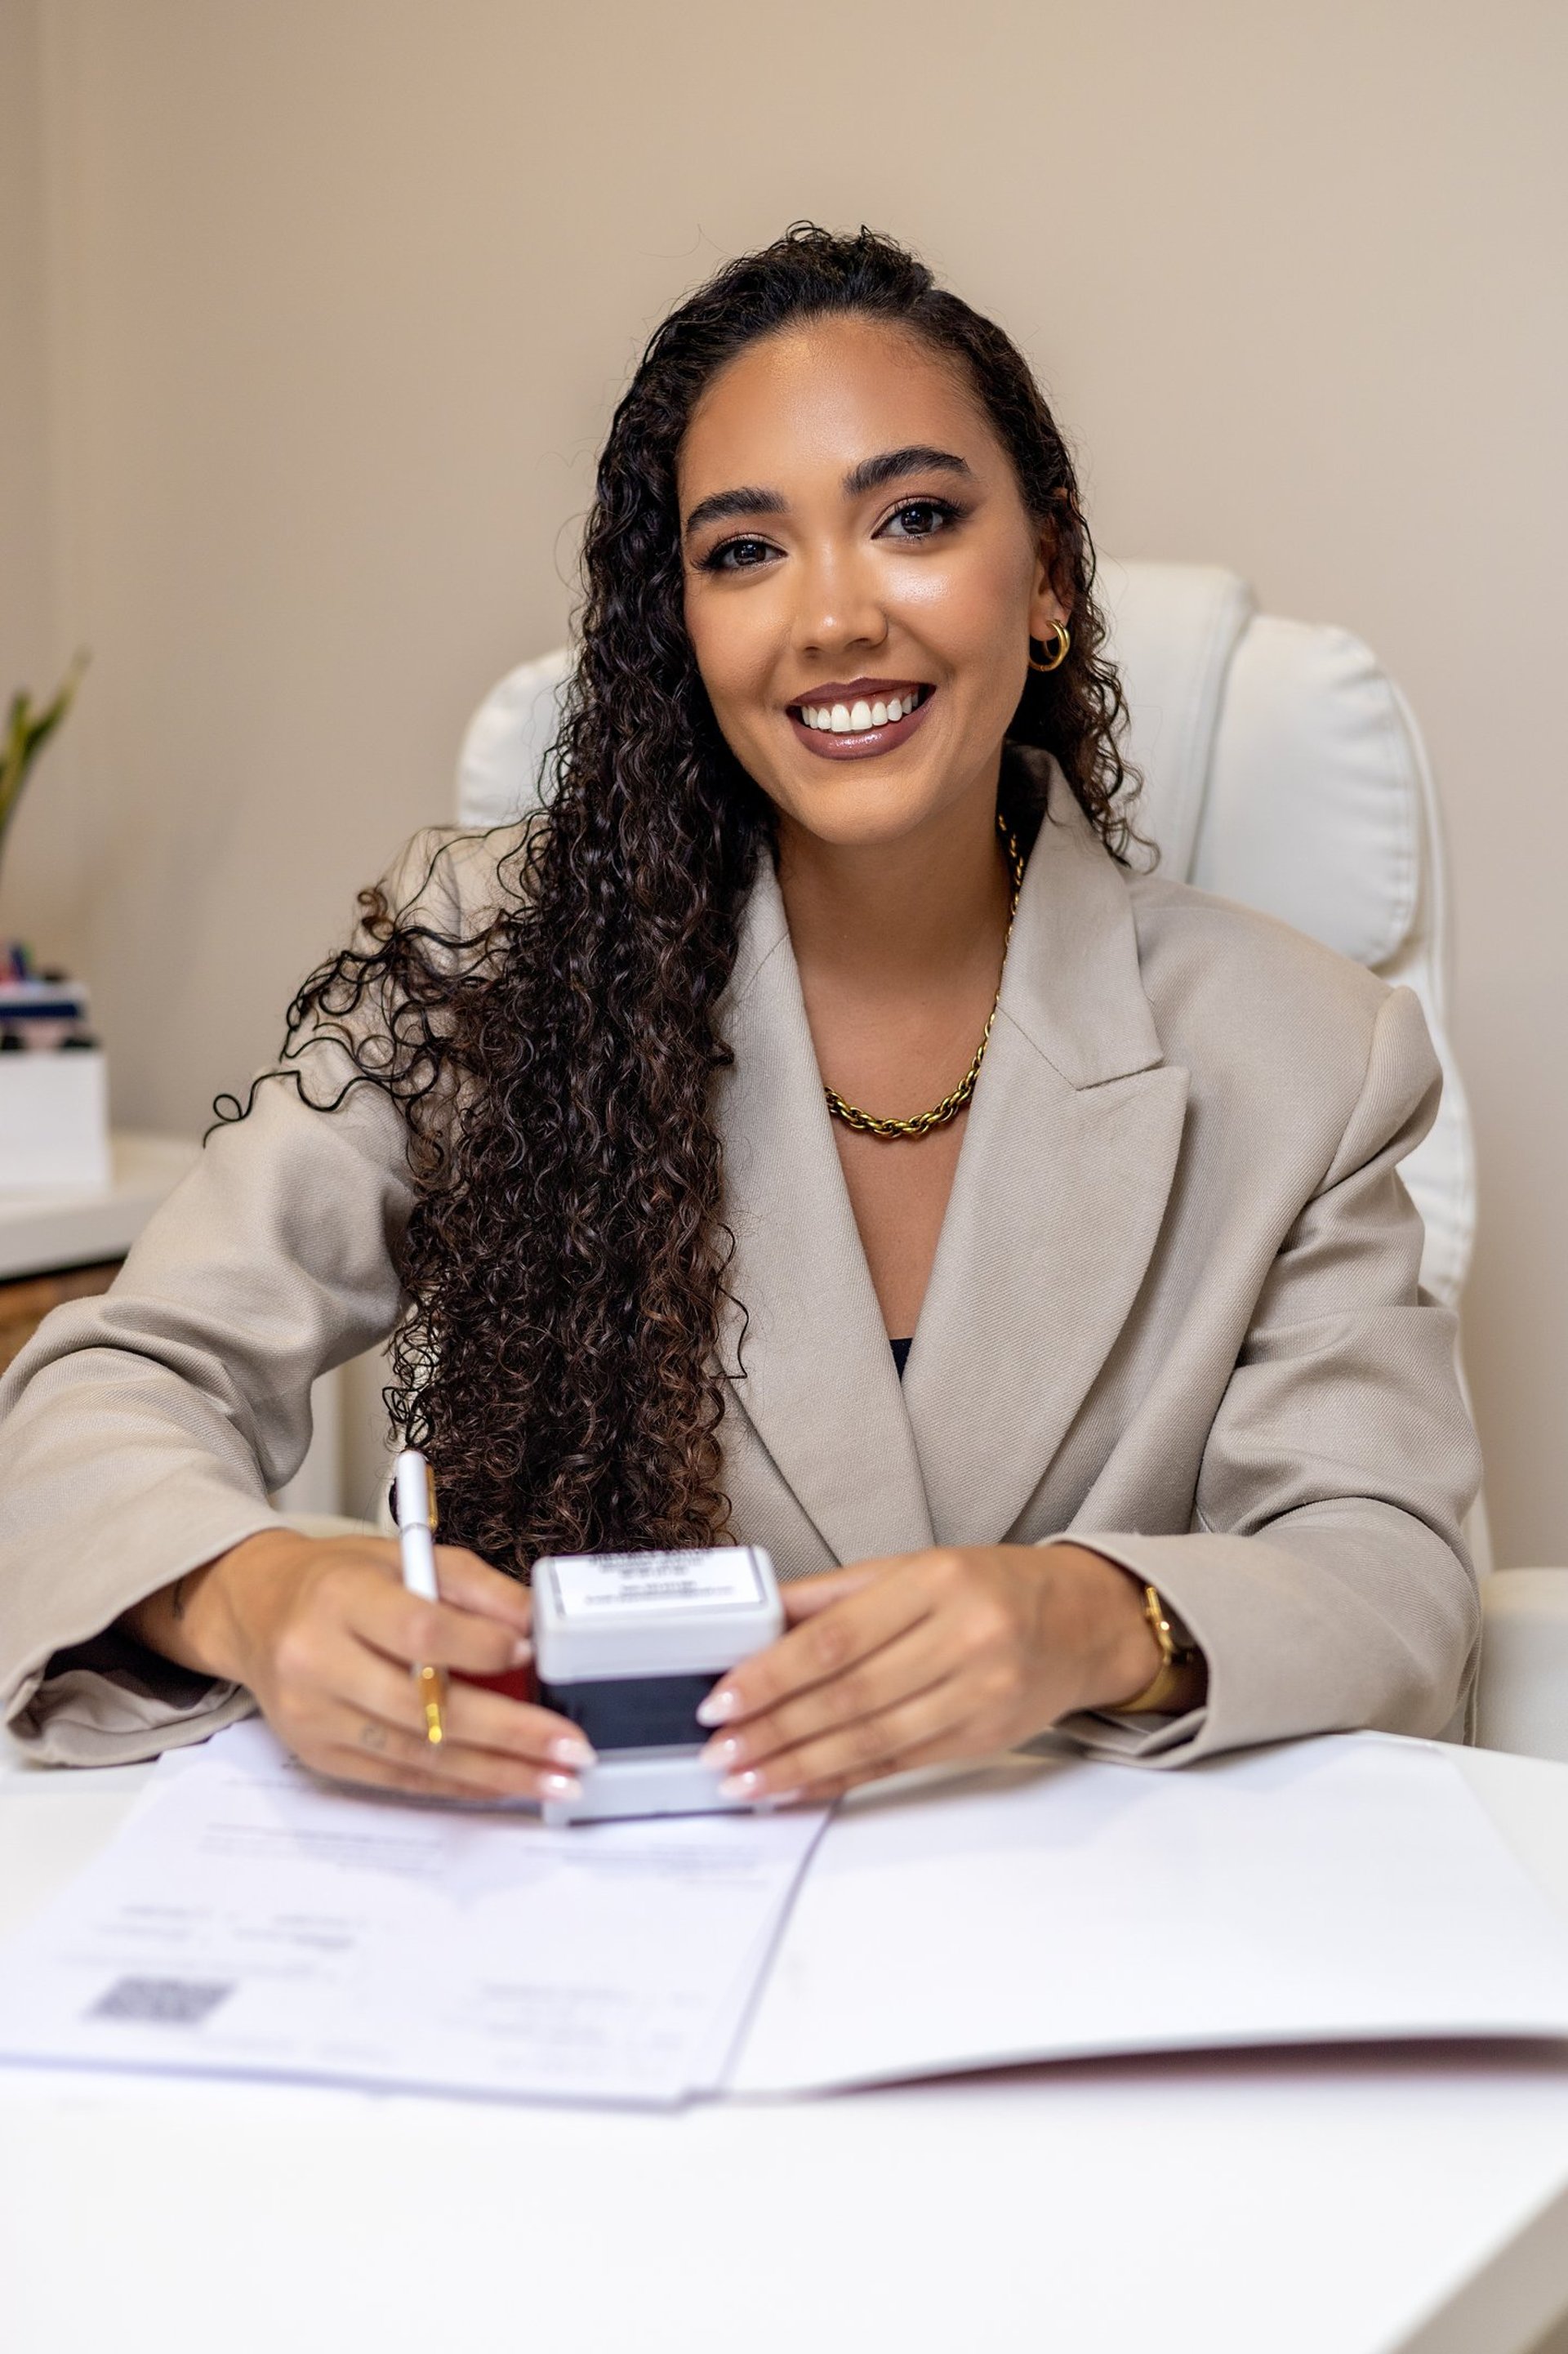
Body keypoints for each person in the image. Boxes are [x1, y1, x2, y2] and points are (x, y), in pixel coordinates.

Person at [0, 225, 1481, 1806]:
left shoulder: (1309, 1052)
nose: (834, 616)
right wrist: (258, 1590)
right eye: (744, 550)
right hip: (593, 1900)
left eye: (913, 518)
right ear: (682, 630)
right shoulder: (494, 956)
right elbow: (108, 1388)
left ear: (1045, 572)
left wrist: (1089, 1615)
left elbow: (1390, 1569)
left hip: (1082, 1935)